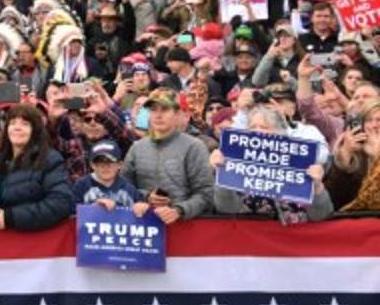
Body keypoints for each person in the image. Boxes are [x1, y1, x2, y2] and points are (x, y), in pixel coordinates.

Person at [210, 106, 333, 223]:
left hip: (295, 238)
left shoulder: (299, 163)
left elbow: (321, 215)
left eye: (264, 127)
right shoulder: (235, 164)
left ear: (280, 132)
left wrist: (316, 187)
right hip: (254, 238)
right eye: (252, 127)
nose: (257, 132)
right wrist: (222, 174)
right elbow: (226, 209)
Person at [0, 104, 73, 231]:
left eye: (25, 124)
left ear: (35, 131)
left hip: (33, 243)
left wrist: (10, 217)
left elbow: (61, 203)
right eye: (13, 123)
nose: (17, 127)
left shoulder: (50, 159)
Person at [122, 89, 214, 224]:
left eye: (164, 109)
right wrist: (145, 197)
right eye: (153, 110)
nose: (158, 115)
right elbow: (123, 187)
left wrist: (179, 210)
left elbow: (206, 194)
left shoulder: (194, 146)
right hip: (143, 227)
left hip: (185, 227)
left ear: (177, 114)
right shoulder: (137, 147)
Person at [71, 140, 138, 209]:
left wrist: (141, 207)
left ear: (119, 165)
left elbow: (140, 210)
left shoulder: (129, 189)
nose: (105, 167)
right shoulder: (81, 186)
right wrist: (93, 208)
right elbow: (73, 212)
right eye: (100, 163)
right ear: (92, 165)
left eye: (110, 162)